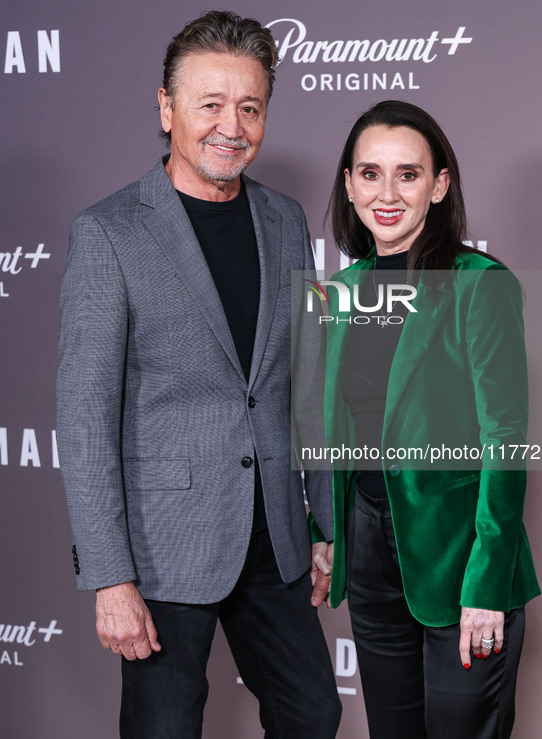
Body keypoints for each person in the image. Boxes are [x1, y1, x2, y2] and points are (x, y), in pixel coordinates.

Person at [56, 11, 341, 738]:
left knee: (313, 713)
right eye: (209, 104)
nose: (230, 125)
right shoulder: (108, 231)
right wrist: (110, 577)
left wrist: (324, 525)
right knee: (163, 728)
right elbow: (85, 418)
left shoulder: (285, 219)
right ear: (166, 107)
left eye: (249, 107)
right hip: (163, 545)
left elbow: (309, 388)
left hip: (273, 537)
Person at [321, 101, 540, 738]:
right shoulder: (342, 292)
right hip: (367, 551)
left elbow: (506, 441)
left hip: (460, 552)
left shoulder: (480, 284)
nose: (386, 194)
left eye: (408, 175)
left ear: (439, 185)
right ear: (348, 184)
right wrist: (328, 533)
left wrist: (486, 581)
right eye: (369, 173)